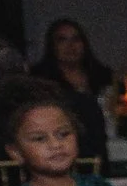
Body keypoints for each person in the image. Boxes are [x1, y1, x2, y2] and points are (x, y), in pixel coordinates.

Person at [32, 17, 114, 161]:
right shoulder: (40, 79)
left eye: (76, 39)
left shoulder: (102, 75)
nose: (70, 46)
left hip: (105, 142)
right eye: (62, 40)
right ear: (52, 46)